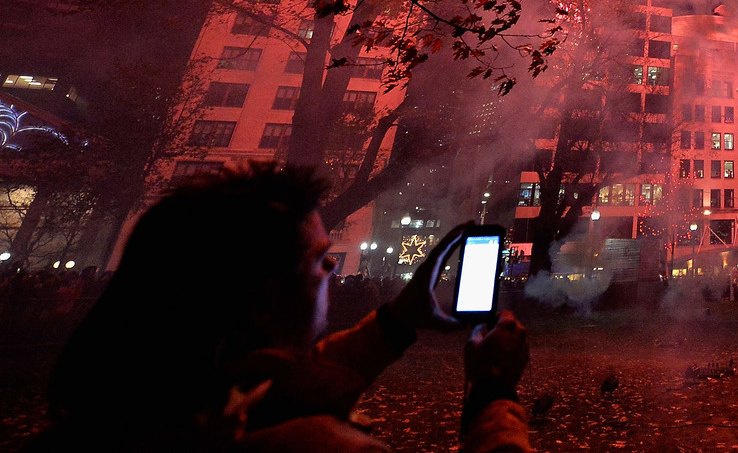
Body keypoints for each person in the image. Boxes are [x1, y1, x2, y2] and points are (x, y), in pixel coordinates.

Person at [30, 164, 532, 453]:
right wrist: (492, 390)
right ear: (266, 299)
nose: (333, 272)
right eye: (320, 261)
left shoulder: (116, 420)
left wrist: (396, 322)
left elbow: (272, 387)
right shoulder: (318, 448)